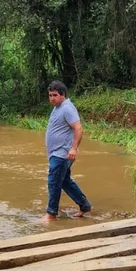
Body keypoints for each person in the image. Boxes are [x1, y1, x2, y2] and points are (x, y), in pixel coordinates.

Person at [41, 80, 92, 222]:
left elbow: (78, 128)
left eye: (54, 95)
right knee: (64, 181)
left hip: (62, 154)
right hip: (56, 153)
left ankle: (51, 214)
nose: (51, 98)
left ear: (62, 95)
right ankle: (85, 206)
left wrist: (74, 148)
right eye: (50, 95)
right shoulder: (58, 107)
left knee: (54, 182)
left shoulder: (67, 108)